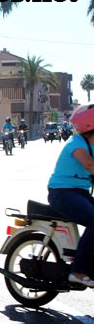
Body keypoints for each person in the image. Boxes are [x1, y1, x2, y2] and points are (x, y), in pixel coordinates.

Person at [48, 104, 94, 287]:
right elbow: (90, 165)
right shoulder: (76, 144)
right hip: (63, 193)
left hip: (80, 192)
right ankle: (78, 270)